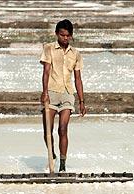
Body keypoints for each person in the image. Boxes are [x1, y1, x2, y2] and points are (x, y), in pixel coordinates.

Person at [39, 19, 86, 172]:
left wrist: (81, 101)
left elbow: (78, 78)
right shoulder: (49, 48)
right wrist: (45, 92)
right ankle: (52, 155)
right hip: (51, 93)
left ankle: (63, 165)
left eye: (67, 36)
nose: (64, 38)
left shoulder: (76, 54)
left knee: (63, 129)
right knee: (47, 130)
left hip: (67, 94)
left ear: (71, 36)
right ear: (57, 34)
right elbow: (46, 72)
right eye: (62, 35)